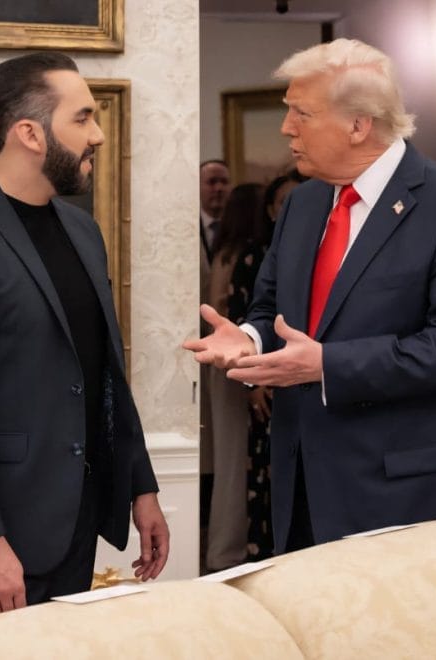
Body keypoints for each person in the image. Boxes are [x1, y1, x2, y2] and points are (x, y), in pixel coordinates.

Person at [184, 38, 436, 554]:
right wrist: (249, 338)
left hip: (408, 494)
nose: (286, 128)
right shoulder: (303, 204)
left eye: (301, 113)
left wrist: (326, 365)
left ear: (359, 126)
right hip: (303, 486)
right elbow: (273, 309)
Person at [0, 52, 169, 623]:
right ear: (30, 134)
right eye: (82, 118)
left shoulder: (82, 230)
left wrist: (141, 488)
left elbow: (104, 374)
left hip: (77, 521)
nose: (97, 135)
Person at [226, 173, 304, 560]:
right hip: (267, 383)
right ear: (272, 211)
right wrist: (253, 382)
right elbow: (248, 317)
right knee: (267, 468)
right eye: (285, 202)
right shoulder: (254, 256)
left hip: (310, 383)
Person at [204, 182, 265, 570]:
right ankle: (229, 549)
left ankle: (222, 548)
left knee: (228, 456)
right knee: (237, 456)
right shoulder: (247, 256)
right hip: (239, 362)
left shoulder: (223, 252)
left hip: (221, 362)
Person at [197, 159, 231, 567]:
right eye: (211, 182)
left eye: (224, 182)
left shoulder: (236, 233)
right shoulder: (187, 231)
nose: (218, 189)